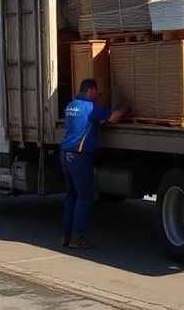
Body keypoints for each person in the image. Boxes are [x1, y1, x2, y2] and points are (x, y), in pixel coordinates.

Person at [60, 78, 126, 249]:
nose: (97, 95)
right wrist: (125, 107)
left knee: (71, 196)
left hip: (65, 155)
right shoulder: (91, 108)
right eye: (96, 92)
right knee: (84, 197)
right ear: (90, 91)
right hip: (80, 157)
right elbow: (112, 118)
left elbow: (86, 122)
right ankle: (78, 238)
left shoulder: (70, 106)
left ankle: (66, 236)